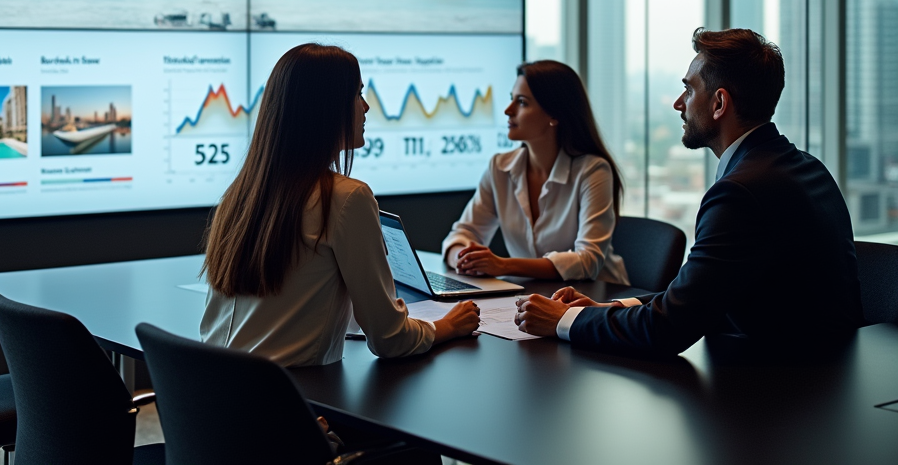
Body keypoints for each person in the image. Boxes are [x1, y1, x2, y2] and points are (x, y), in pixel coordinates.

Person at [514, 28, 864, 358]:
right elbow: (701, 295)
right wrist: (610, 308)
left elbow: (668, 328)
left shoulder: (740, 191)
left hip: (784, 389)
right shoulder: (801, 166)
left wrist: (561, 320)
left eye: (690, 90)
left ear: (719, 103)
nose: (679, 103)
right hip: (827, 377)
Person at [200, 43, 479, 367]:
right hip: (289, 407)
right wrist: (446, 326)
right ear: (326, 108)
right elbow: (390, 338)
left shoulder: (240, 195)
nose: (366, 107)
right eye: (357, 94)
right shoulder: (346, 199)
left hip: (217, 400)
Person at [442, 60, 629, 285]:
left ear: (554, 115)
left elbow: (588, 260)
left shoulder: (593, 171)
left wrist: (502, 265)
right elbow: (462, 233)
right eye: (511, 99)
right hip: (529, 296)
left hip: (598, 300)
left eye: (521, 102)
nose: (508, 110)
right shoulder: (499, 168)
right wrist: (463, 259)